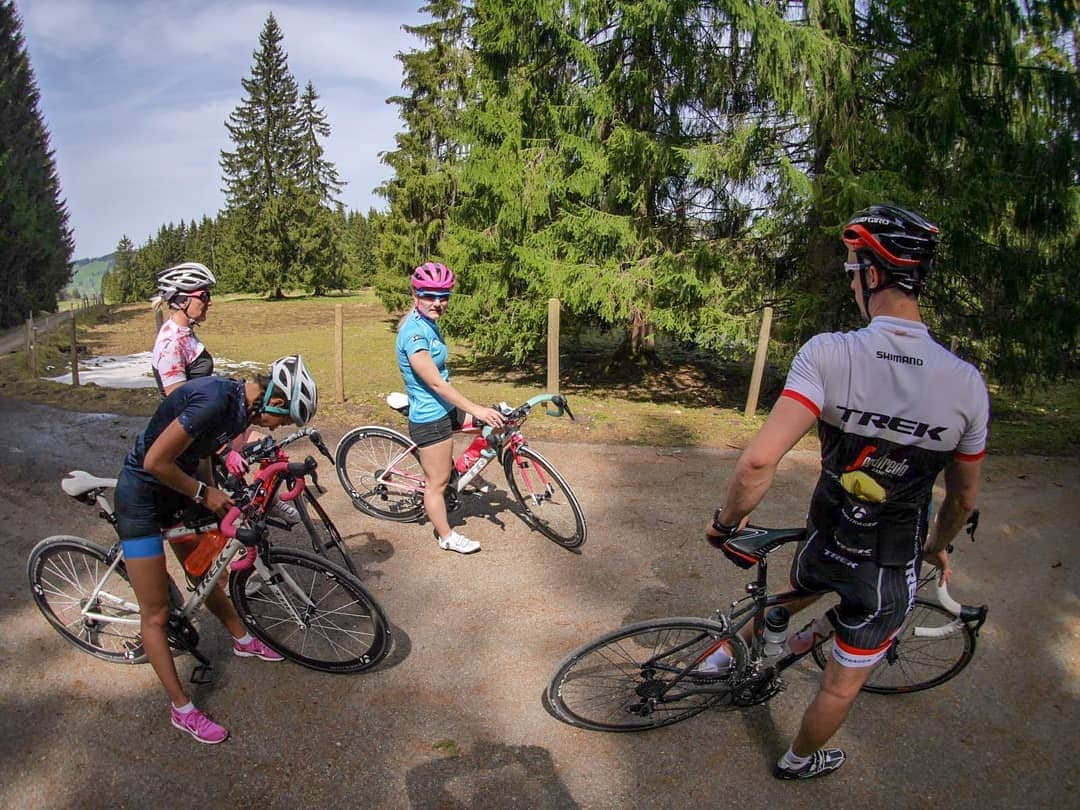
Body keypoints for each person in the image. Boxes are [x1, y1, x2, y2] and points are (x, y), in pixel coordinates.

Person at [702, 205, 989, 779]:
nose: (852, 279)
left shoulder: (829, 353)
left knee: (795, 594)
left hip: (829, 534)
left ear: (873, 275)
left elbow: (760, 460)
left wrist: (726, 524)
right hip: (889, 561)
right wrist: (937, 544)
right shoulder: (966, 385)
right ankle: (797, 759)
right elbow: (961, 499)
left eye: (853, 269)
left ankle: (718, 658)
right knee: (841, 684)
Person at [114, 355, 319, 744]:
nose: (281, 428)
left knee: (206, 574)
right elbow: (156, 461)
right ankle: (182, 709)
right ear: (273, 400)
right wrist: (204, 494)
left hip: (179, 490)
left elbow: (205, 448)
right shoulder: (214, 399)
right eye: (286, 418)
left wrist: (210, 490)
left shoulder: (239, 409)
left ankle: (243, 640)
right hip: (141, 499)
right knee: (156, 612)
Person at [150, 262, 297, 520]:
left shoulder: (185, 334)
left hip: (211, 423)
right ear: (182, 300)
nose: (210, 302)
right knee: (208, 517)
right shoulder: (170, 343)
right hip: (194, 437)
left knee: (271, 451)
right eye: (204, 296)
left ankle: (265, 502)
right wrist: (223, 450)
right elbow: (182, 406)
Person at [395, 262, 505, 554]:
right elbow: (437, 384)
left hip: (444, 408)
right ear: (416, 295)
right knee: (438, 483)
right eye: (430, 295)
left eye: (443, 296)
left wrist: (482, 413)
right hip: (430, 417)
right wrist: (476, 408)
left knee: (494, 423)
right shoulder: (414, 335)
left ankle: (468, 473)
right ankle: (446, 536)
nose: (438, 303)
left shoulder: (427, 323)